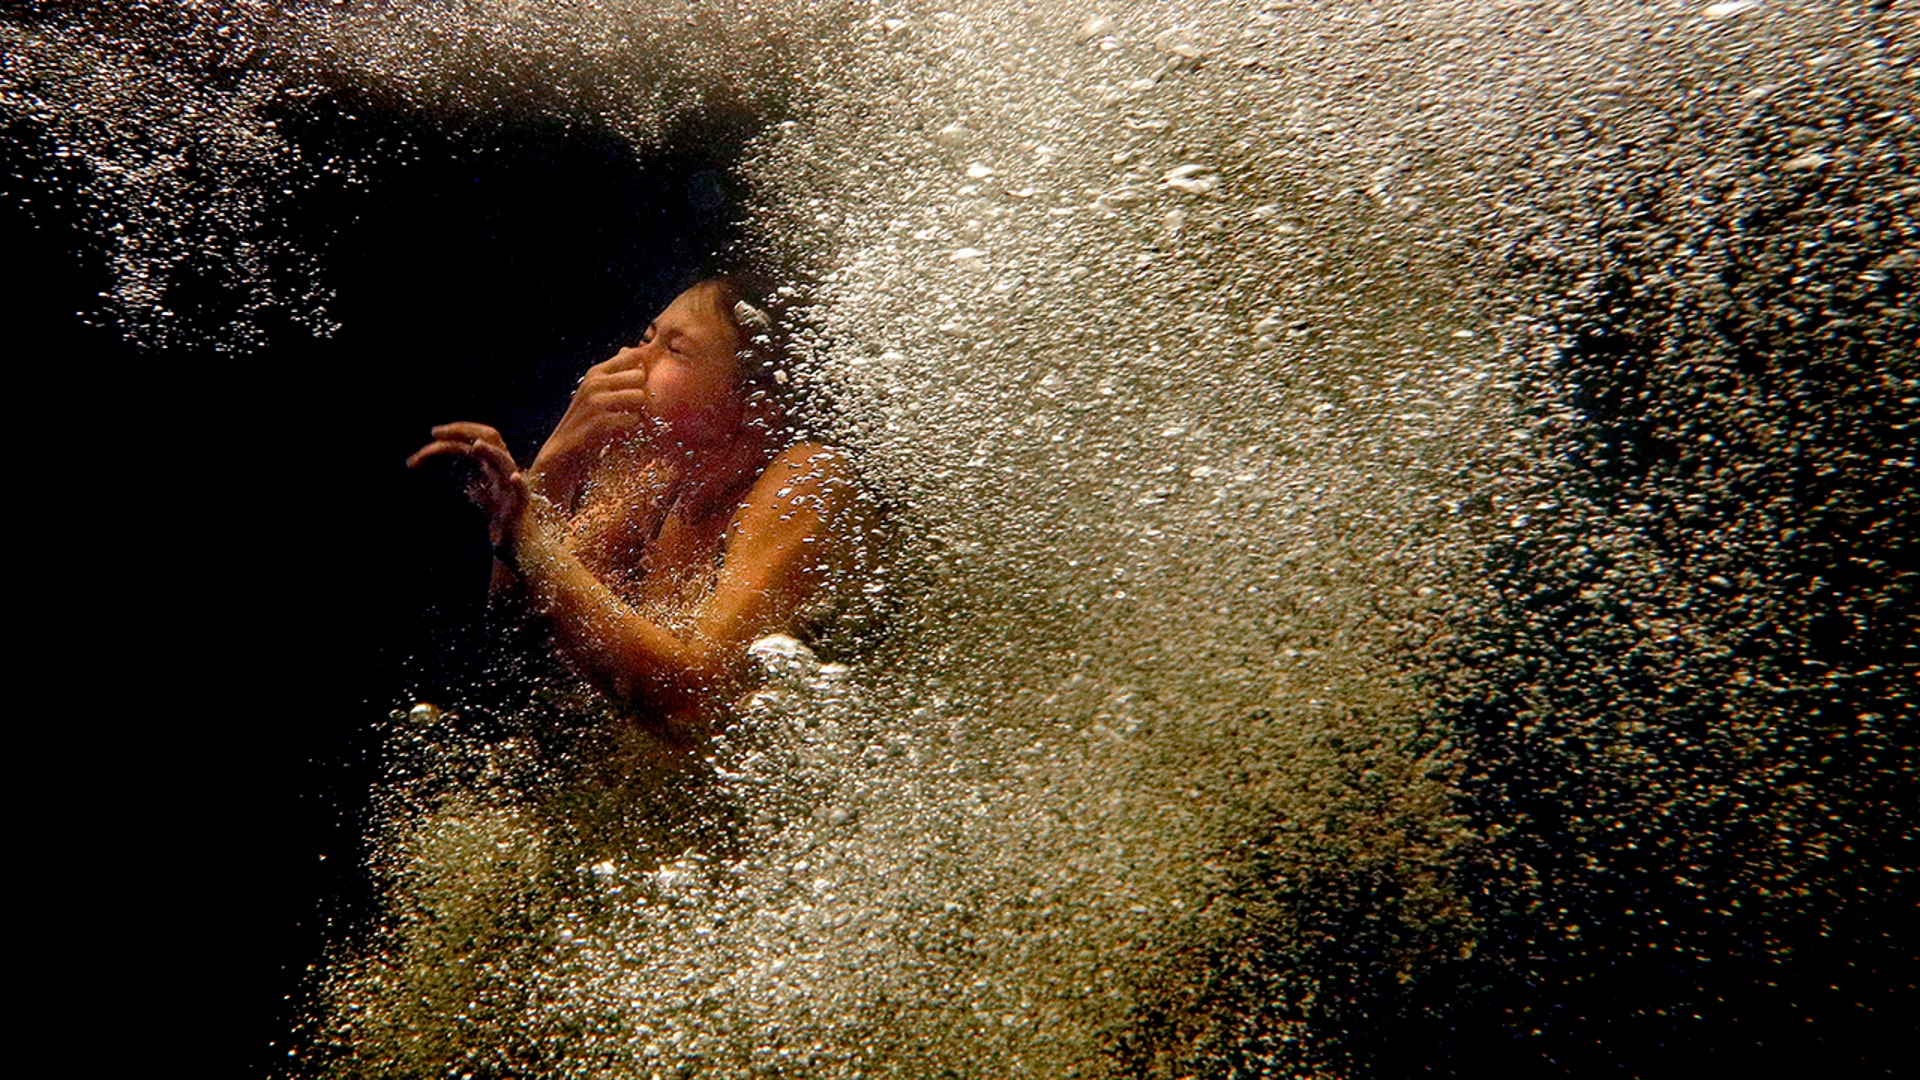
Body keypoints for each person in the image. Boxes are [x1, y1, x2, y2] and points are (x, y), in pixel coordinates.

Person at [408, 278, 870, 746]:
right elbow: (521, 638)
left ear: (755, 406)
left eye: (675, 349)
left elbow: (695, 699)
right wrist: (553, 464)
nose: (629, 360)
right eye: (647, 337)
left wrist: (533, 542)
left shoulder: (808, 479)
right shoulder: (651, 478)